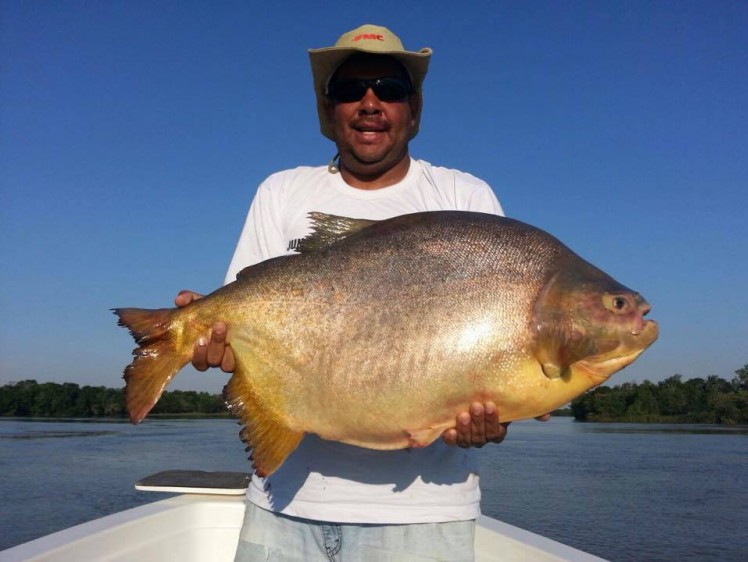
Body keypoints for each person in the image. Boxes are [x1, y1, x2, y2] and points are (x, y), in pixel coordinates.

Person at [176, 24, 546, 562]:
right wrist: (211, 340)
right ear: (328, 112)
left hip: (424, 518)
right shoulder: (281, 192)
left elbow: (495, 348)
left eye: (389, 89)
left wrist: (495, 419)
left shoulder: (466, 197)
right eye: (350, 90)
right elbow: (247, 338)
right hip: (283, 504)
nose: (370, 103)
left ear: (413, 110)